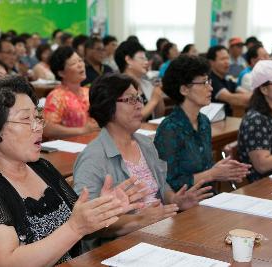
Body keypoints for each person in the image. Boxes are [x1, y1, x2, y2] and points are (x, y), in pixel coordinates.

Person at [0, 76, 147, 266]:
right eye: (26, 119)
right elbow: (8, 263)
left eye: (38, 117)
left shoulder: (42, 167)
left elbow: (80, 225)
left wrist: (103, 208)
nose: (37, 127)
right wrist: (75, 228)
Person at [73, 73, 214, 251]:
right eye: (131, 100)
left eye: (139, 98)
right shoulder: (93, 158)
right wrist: (138, 220)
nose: (140, 105)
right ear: (107, 105)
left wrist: (176, 200)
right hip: (120, 247)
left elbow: (162, 188)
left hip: (161, 231)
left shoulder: (145, 143)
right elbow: (86, 224)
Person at [154, 55, 250, 192]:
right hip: (184, 206)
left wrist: (220, 169)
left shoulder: (203, 121)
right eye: (204, 83)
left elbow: (203, 169)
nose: (210, 88)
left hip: (207, 198)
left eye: (209, 81)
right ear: (184, 89)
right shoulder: (169, 129)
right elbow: (168, 183)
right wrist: (212, 174)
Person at [43, 46, 99, 139]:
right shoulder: (56, 96)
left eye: (80, 60)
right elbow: (48, 129)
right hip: (67, 149)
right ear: (61, 73)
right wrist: (83, 130)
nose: (80, 65)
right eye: (73, 63)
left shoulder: (89, 92)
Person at [114, 41, 165, 120]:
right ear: (128, 60)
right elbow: (131, 120)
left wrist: (158, 97)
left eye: (146, 58)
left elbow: (159, 116)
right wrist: (154, 100)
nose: (146, 62)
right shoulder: (118, 86)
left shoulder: (147, 84)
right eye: (142, 58)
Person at [207, 45, 251, 116]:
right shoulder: (210, 80)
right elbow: (231, 98)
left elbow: (243, 92)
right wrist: (257, 98)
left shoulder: (226, 79)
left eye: (228, 58)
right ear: (211, 62)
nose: (227, 62)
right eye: (223, 59)